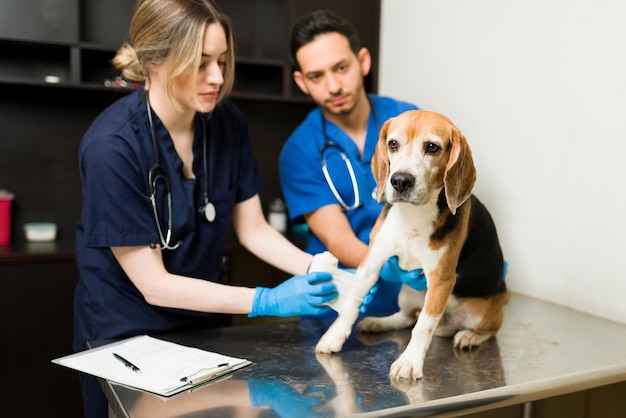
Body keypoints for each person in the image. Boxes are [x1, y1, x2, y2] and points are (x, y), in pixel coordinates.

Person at [73, 1, 339, 417]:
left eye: (221, 61)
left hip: (202, 332)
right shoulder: (113, 147)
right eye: (199, 64)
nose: (216, 78)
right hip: (128, 340)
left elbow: (252, 229)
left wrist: (319, 271)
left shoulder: (226, 122)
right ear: (156, 61)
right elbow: (154, 285)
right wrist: (267, 300)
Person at [280, 10, 425, 315]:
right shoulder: (299, 150)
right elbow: (337, 237)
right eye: (316, 76)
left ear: (363, 62)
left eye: (341, 68)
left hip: (414, 303)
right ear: (301, 82)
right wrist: (390, 268)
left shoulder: (406, 119)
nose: (332, 86)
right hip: (341, 304)